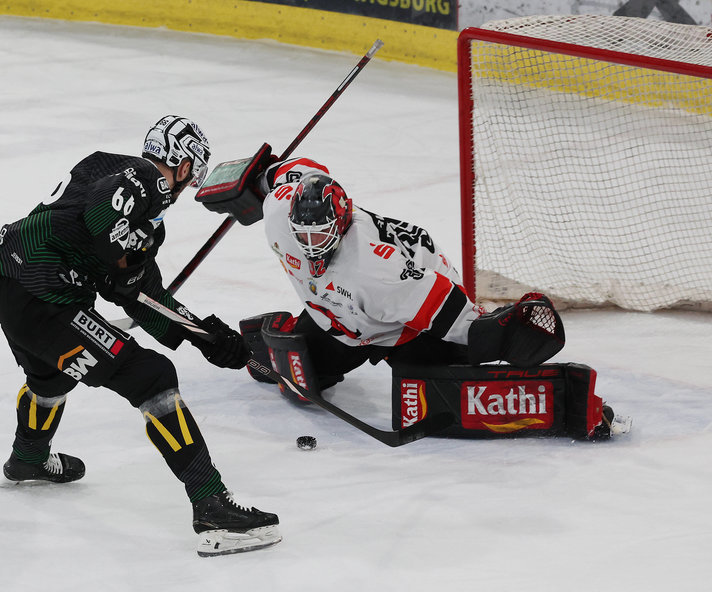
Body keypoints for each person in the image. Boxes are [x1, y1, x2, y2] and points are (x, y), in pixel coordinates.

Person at [0, 115, 280, 556]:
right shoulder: (142, 178)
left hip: (9, 285)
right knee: (152, 377)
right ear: (183, 166)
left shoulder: (110, 174)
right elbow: (102, 218)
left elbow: (141, 296)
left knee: (52, 376)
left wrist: (207, 338)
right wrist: (123, 251)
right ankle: (213, 507)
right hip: (46, 295)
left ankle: (28, 458)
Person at [236, 156, 627, 439]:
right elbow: (298, 170)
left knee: (443, 390)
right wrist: (261, 176)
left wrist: (501, 333)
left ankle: (569, 403)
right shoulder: (279, 213)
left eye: (320, 236)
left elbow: (459, 322)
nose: (310, 247)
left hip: (409, 324)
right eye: (302, 236)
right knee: (306, 378)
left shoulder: (378, 274)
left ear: (340, 221)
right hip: (346, 322)